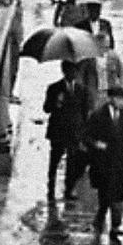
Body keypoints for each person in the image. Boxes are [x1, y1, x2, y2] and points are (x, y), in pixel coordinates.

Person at [86, 86, 123, 238]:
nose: (121, 102)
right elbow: (87, 135)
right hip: (104, 162)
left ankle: (116, 225)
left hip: (122, 162)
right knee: (105, 193)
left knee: (119, 195)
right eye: (118, 98)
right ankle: (101, 214)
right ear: (110, 99)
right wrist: (97, 144)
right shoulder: (98, 115)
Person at [43, 61, 90, 201]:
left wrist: (83, 131)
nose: (72, 74)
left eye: (75, 71)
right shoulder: (54, 88)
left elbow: (84, 112)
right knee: (55, 159)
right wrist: (56, 103)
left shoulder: (82, 90)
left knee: (73, 161)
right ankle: (51, 185)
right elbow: (46, 108)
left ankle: (69, 189)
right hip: (58, 130)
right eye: (69, 71)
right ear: (64, 71)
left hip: (74, 131)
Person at [90, 31, 123, 109]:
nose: (108, 45)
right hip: (95, 92)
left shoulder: (114, 56)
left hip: (109, 92)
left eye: (108, 43)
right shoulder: (90, 58)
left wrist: (121, 92)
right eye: (105, 43)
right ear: (99, 43)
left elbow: (121, 74)